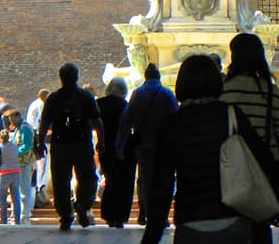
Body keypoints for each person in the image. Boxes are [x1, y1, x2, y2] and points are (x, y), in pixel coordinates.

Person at [141, 54, 250, 244]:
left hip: (191, 220)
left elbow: (162, 184)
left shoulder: (173, 124)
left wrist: (152, 234)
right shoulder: (233, 116)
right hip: (234, 218)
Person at [219, 32, 279, 244]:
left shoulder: (224, 90)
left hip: (232, 165)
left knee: (233, 219)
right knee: (260, 221)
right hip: (264, 165)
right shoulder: (271, 91)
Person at [37, 62, 105, 231]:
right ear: (76, 77)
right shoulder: (86, 97)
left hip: (61, 144)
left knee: (61, 181)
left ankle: (66, 215)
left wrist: (40, 142)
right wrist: (101, 141)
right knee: (88, 178)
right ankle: (82, 205)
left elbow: (45, 123)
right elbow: (97, 121)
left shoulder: (54, 98)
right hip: (81, 143)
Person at [115, 62, 178, 226]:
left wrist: (120, 145)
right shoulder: (167, 93)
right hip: (165, 145)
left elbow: (126, 120)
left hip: (143, 144)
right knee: (165, 179)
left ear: (146, 76)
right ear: (158, 77)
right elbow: (177, 119)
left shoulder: (138, 93)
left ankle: (151, 215)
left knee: (147, 180)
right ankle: (163, 215)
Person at [96, 77, 136, 228]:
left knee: (110, 179)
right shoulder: (125, 105)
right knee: (124, 182)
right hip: (124, 148)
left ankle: (108, 215)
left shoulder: (99, 104)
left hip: (105, 147)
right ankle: (120, 216)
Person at [8, 109, 35, 223]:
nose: (12, 122)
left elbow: (27, 146)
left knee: (24, 189)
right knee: (19, 189)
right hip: (18, 162)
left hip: (24, 162)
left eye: (13, 120)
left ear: (18, 116)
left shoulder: (25, 128)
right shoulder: (19, 128)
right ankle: (18, 214)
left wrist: (14, 152)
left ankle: (25, 215)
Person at [0, 129, 22, 224]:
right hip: (16, 172)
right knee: (16, 198)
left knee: (2, 199)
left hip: (4, 174)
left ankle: (4, 221)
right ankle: (18, 220)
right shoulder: (15, 147)